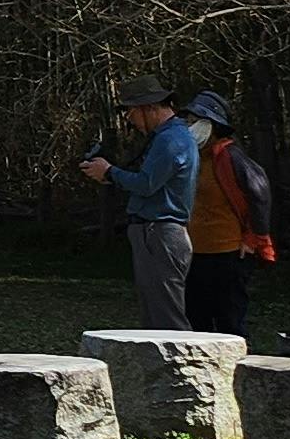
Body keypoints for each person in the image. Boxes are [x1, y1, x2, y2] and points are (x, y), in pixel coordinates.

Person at [81, 78, 200, 330]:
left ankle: (180, 357)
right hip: (154, 232)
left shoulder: (171, 140)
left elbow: (147, 184)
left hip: (160, 232)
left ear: (149, 107)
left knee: (168, 319)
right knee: (155, 317)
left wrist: (110, 171)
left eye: (131, 112)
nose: (130, 119)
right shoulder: (168, 137)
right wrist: (110, 175)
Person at [180, 88, 276, 332]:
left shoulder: (231, 157)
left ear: (212, 125)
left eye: (195, 121)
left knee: (229, 322)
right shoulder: (193, 157)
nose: (190, 126)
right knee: (196, 322)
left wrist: (253, 238)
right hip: (195, 253)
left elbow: (259, 194)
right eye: (188, 120)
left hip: (229, 252)